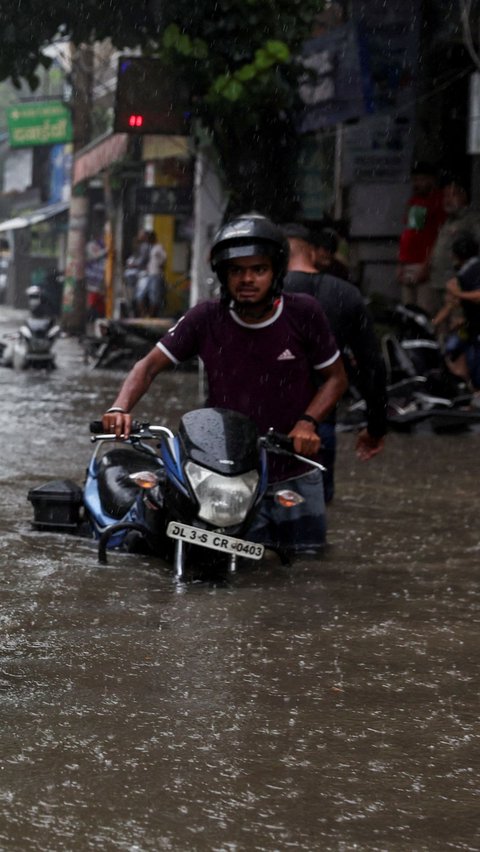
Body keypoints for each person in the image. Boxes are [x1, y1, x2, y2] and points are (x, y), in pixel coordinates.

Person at [102, 215, 348, 554]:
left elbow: (336, 378)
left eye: (258, 269)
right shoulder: (205, 317)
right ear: (224, 275)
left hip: (294, 469)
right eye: (237, 270)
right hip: (227, 478)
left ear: (275, 271)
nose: (247, 279)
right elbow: (147, 367)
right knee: (221, 570)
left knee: (307, 573)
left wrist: (308, 423)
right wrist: (119, 408)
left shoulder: (304, 313)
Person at [282, 222, 387, 503]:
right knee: (314, 519)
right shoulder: (346, 294)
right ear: (314, 254)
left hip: (263, 424)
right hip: (320, 424)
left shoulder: (256, 294)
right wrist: (376, 426)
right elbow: (373, 365)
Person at [432, 231, 480, 395]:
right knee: (455, 349)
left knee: (474, 359)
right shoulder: (465, 272)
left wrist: (457, 293)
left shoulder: (474, 269)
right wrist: (433, 323)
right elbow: (452, 303)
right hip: (470, 326)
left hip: (476, 328)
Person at [426, 181, 480, 318]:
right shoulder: (447, 221)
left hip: (457, 282)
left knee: (456, 322)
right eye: (445, 196)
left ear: (464, 197)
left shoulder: (472, 220)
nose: (448, 200)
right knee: (436, 322)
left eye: (453, 195)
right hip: (438, 280)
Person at [397, 161, 446, 309]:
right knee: (408, 311)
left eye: (422, 180)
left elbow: (439, 238)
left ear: (432, 180)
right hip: (408, 263)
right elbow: (410, 235)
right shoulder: (415, 200)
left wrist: (426, 265)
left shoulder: (439, 201)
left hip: (425, 264)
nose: (417, 184)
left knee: (424, 310)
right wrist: (400, 264)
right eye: (415, 180)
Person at [141, 230, 167, 317]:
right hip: (150, 274)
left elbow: (164, 259)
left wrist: (160, 266)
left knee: (154, 296)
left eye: (149, 238)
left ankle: (152, 315)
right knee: (146, 294)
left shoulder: (158, 247)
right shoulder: (150, 248)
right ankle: (147, 314)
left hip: (156, 274)